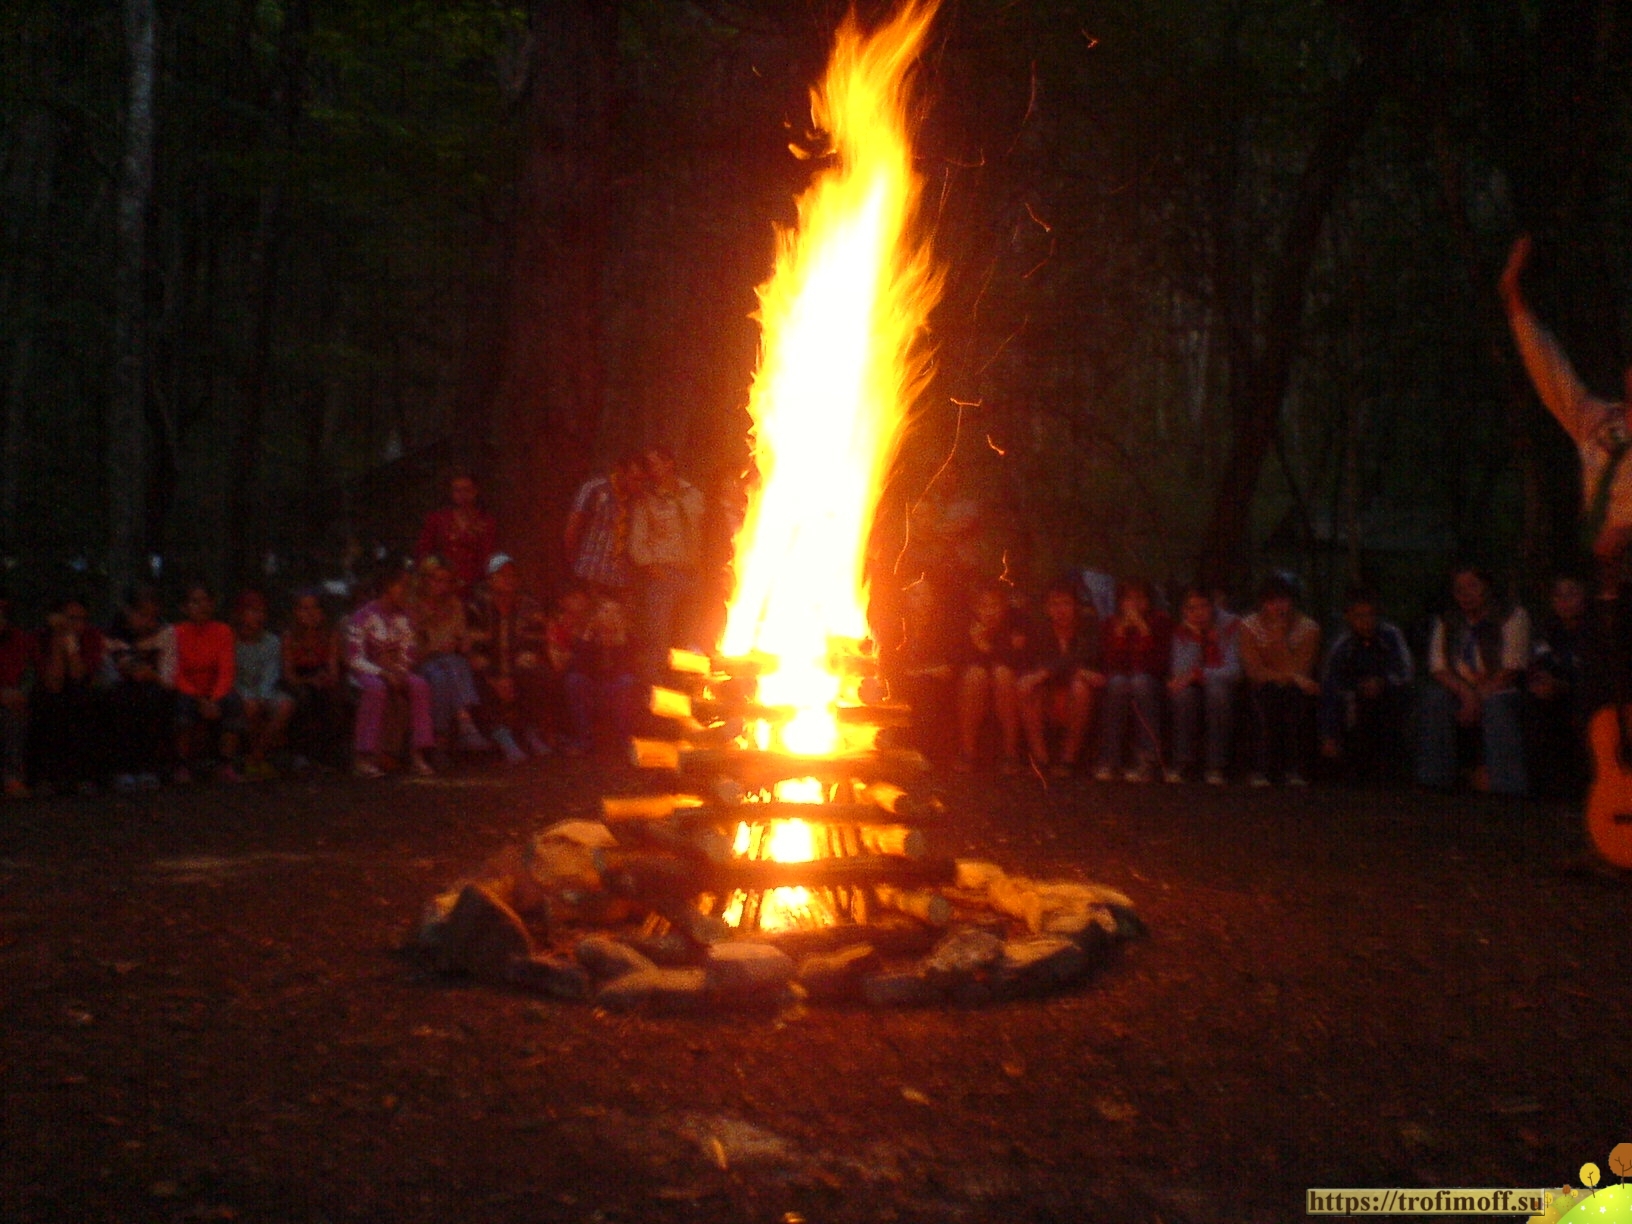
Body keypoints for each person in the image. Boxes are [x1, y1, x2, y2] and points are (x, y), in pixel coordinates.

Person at [1416, 566, 1530, 795]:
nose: (1465, 594)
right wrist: (1467, 694)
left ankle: (1506, 786)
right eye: (1459, 589)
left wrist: (1479, 696)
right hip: (1461, 689)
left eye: (1472, 587)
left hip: (1501, 687)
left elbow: (1512, 668)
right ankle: (1434, 779)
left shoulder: (1510, 615)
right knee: (1435, 699)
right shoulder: (1448, 619)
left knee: (1498, 706)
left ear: (1486, 587)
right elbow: (1438, 667)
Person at [346, 568, 436, 779]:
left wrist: (400, 669)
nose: (407, 592)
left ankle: (418, 754)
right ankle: (364, 756)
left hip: (394, 671)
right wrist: (382, 672)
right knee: (376, 689)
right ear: (388, 587)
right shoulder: (363, 617)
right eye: (402, 586)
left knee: (419, 685)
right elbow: (354, 657)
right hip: (365, 672)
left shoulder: (404, 619)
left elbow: (409, 650)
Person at [1318, 587, 1415, 783]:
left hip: (1388, 696)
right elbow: (1330, 682)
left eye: (1370, 615)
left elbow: (1406, 672)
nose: (1365, 621)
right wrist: (1329, 733)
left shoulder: (1391, 636)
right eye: (1359, 616)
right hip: (1354, 701)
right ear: (1348, 617)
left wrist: (1383, 682)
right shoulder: (1342, 644)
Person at [466, 554, 553, 764]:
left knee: (536, 673)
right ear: (490, 579)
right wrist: (496, 678)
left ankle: (531, 732)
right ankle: (502, 735)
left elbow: (534, 643)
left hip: (517, 668)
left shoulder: (529, 607)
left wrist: (512, 675)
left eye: (511, 574)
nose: (508, 579)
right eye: (501, 574)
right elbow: (475, 649)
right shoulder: (477, 608)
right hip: (488, 670)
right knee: (475, 677)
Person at [628, 445, 704, 679]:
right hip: (664, 575)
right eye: (648, 466)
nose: (651, 470)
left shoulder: (694, 494)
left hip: (692, 572)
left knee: (690, 633)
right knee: (658, 635)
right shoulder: (647, 501)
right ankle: (655, 686)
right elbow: (636, 540)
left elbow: (706, 530)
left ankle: (686, 684)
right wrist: (652, 567)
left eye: (655, 463)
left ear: (669, 463)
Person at [1238, 575, 1321, 787]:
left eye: (1283, 600)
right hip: (1262, 686)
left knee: (1295, 700)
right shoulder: (1249, 626)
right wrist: (1289, 675)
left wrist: (1279, 639)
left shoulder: (1309, 629)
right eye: (1271, 601)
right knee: (1265, 698)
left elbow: (1303, 669)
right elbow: (1254, 670)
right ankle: (1260, 768)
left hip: (1294, 689)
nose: (1277, 606)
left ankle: (1294, 769)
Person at [1017, 581, 1103, 777]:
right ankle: (1041, 759)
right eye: (1054, 604)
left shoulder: (1088, 629)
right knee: (1027, 687)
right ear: (1047, 608)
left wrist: (1047, 672)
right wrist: (1053, 672)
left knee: (1080, 688)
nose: (1060, 610)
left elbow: (1089, 660)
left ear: (1075, 606)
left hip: (1083, 696)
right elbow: (1033, 666)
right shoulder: (1041, 631)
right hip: (1049, 695)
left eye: (1066, 603)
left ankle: (1068, 760)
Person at [408, 556, 491, 761]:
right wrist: (436, 646)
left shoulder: (454, 605)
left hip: (448, 664)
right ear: (425, 580)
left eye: (446, 581)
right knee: (445, 668)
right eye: (436, 580)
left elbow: (460, 635)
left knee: (446, 672)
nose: (441, 586)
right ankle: (464, 724)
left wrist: (463, 645)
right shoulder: (414, 607)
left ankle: (442, 738)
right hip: (422, 661)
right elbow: (412, 645)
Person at [1095, 578, 1172, 783]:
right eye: (1129, 598)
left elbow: (1158, 665)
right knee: (1117, 684)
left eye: (1140, 598)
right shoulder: (1111, 623)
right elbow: (1111, 664)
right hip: (1121, 680)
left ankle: (1147, 761)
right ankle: (1110, 760)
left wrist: (1144, 631)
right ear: (1121, 602)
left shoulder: (1160, 621)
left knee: (1140, 683)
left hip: (1150, 681)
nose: (1134, 603)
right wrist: (1120, 635)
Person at [30, 597, 109, 794]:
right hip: (50, 692)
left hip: (80, 690)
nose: (77, 625)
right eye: (71, 619)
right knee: (48, 702)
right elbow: (53, 682)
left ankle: (82, 775)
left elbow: (77, 674)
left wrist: (71, 642)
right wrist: (59, 638)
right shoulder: (39, 637)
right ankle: (47, 776)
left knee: (84, 702)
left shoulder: (91, 637)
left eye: (82, 619)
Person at [168, 583, 244, 783]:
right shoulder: (175, 633)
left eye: (205, 601)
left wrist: (214, 698)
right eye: (195, 602)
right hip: (189, 690)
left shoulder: (223, 631)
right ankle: (181, 764)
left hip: (215, 690)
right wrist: (200, 699)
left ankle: (225, 763)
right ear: (185, 607)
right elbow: (177, 672)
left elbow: (226, 669)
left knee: (233, 702)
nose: (201, 606)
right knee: (182, 706)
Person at [1167, 587, 1241, 785]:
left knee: (1217, 694)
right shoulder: (1182, 632)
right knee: (1183, 697)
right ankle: (1183, 761)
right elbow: (1180, 672)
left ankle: (1216, 764)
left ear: (1212, 607)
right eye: (1191, 609)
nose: (1198, 613)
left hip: (1222, 682)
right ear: (1184, 611)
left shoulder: (1231, 626)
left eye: (1203, 606)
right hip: (1195, 683)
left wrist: (1199, 674)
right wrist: (1197, 640)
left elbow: (1234, 670)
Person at [105, 585, 175, 791]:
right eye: (142, 615)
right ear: (128, 611)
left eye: (153, 616)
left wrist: (148, 674)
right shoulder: (113, 634)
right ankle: (122, 769)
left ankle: (148, 767)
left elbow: (168, 679)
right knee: (122, 699)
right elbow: (111, 671)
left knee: (152, 698)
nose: (148, 622)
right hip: (121, 690)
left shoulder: (165, 633)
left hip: (154, 689)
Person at [1526, 574, 1591, 798]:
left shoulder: (1595, 629)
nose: (1564, 601)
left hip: (1585, 694)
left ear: (1583, 597)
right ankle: (1543, 789)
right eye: (1558, 596)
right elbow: (1539, 661)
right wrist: (1544, 681)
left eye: (1571, 594)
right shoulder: (1546, 629)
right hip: (1552, 691)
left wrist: (1564, 685)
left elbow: (1594, 673)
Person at [952, 585, 1027, 774]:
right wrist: (976, 644)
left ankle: (1011, 753)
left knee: (1003, 675)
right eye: (983, 606)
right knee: (975, 676)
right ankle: (967, 751)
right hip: (973, 685)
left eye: (994, 606)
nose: (989, 612)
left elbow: (1015, 659)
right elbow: (959, 662)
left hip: (1007, 685)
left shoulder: (1013, 627)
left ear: (1003, 607)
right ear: (976, 608)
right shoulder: (966, 628)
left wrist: (983, 645)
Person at [562, 595, 639, 757]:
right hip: (592, 686)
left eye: (615, 612)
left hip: (614, 688)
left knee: (627, 682)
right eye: (605, 611)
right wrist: (588, 635)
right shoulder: (588, 636)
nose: (610, 615)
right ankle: (584, 740)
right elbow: (578, 666)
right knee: (575, 681)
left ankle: (625, 741)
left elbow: (629, 669)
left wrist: (621, 639)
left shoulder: (628, 638)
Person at [231, 590, 295, 780]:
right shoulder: (232, 641)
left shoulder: (272, 642)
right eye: (252, 611)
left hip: (265, 689)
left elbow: (271, 673)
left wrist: (264, 696)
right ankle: (254, 757)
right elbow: (231, 674)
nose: (258, 616)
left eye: (261, 612)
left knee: (285, 705)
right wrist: (248, 695)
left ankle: (257, 755)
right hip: (239, 689)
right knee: (250, 706)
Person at [563, 453, 644, 600]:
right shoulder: (595, 489)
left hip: (618, 581)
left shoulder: (639, 500)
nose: (638, 485)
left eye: (642, 481)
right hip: (588, 573)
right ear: (621, 471)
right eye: (635, 479)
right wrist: (573, 561)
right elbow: (573, 527)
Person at [282, 590, 348, 770]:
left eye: (314, 608)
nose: (310, 613)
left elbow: (333, 668)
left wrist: (327, 678)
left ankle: (328, 754)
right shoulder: (290, 637)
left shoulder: (329, 635)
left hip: (321, 676)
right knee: (304, 697)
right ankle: (300, 753)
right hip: (299, 680)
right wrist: (308, 680)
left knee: (331, 695)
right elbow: (289, 675)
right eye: (304, 608)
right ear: (296, 612)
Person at [415, 469, 498, 596]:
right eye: (457, 490)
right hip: (442, 587)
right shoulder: (437, 519)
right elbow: (424, 552)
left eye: (467, 490)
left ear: (475, 491)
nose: (462, 495)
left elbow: (489, 556)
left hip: (475, 589)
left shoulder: (487, 522)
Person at [0, 597, 37, 797]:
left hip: (12, 699)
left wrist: (21, 693)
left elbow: (28, 673)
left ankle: (12, 777)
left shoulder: (18, 640)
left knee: (15, 716)